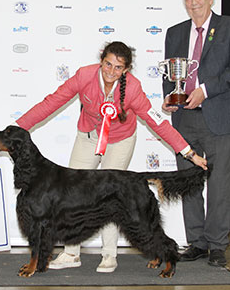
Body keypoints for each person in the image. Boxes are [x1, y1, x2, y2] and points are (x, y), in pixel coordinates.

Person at [15, 41, 207, 273]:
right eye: (108, 64)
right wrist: (18, 128)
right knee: (71, 196)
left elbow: (157, 123)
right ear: (101, 60)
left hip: (120, 140)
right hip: (88, 135)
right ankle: (70, 253)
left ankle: (109, 256)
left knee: (114, 197)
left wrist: (188, 152)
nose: (111, 71)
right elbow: (52, 102)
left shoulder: (133, 89)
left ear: (126, 70)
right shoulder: (84, 76)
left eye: (118, 67)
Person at [162, 0, 230, 267]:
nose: (194, 3)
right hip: (184, 120)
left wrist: (206, 90)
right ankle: (197, 242)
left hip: (218, 117)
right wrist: (168, 98)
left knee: (220, 185)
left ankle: (217, 245)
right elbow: (169, 74)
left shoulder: (227, 27)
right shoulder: (174, 32)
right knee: (188, 184)